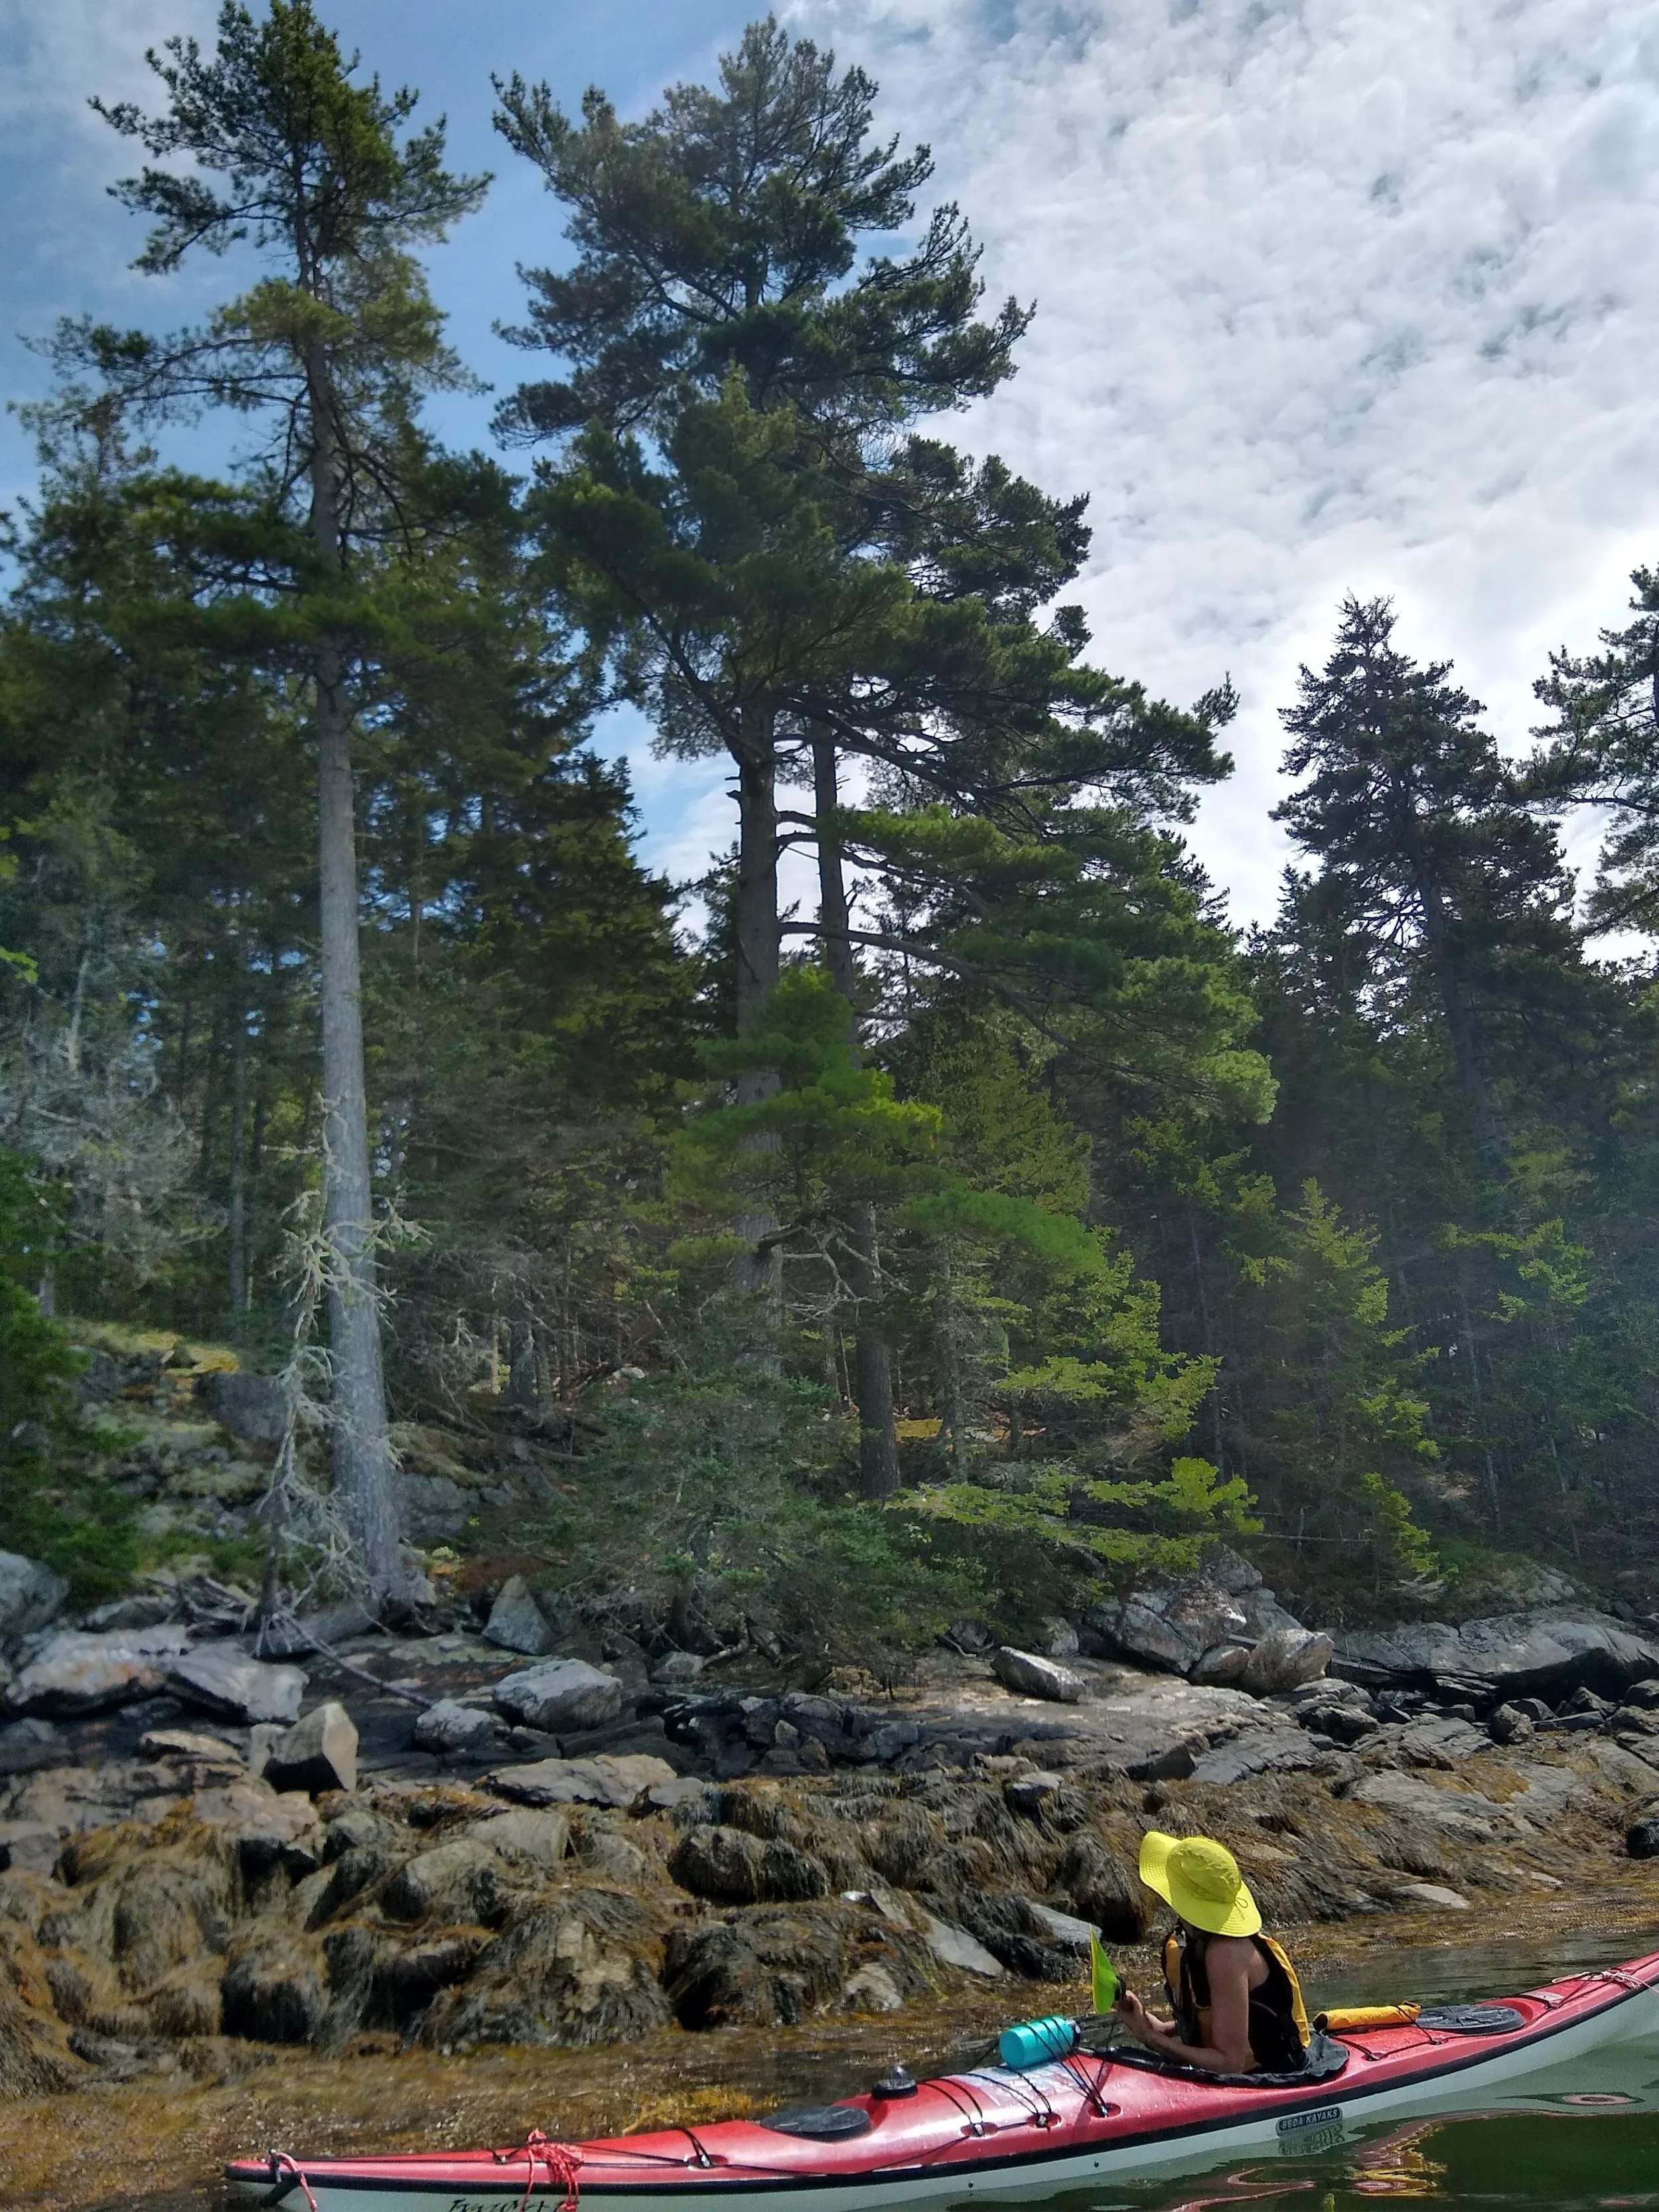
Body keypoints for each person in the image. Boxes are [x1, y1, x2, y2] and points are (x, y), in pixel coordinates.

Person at [1112, 1830, 1310, 2075]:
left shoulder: (1225, 1953)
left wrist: (1152, 2040)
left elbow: (1230, 2063)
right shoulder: (1192, 1940)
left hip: (1275, 2077)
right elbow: (1217, 2019)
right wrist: (1156, 2028)